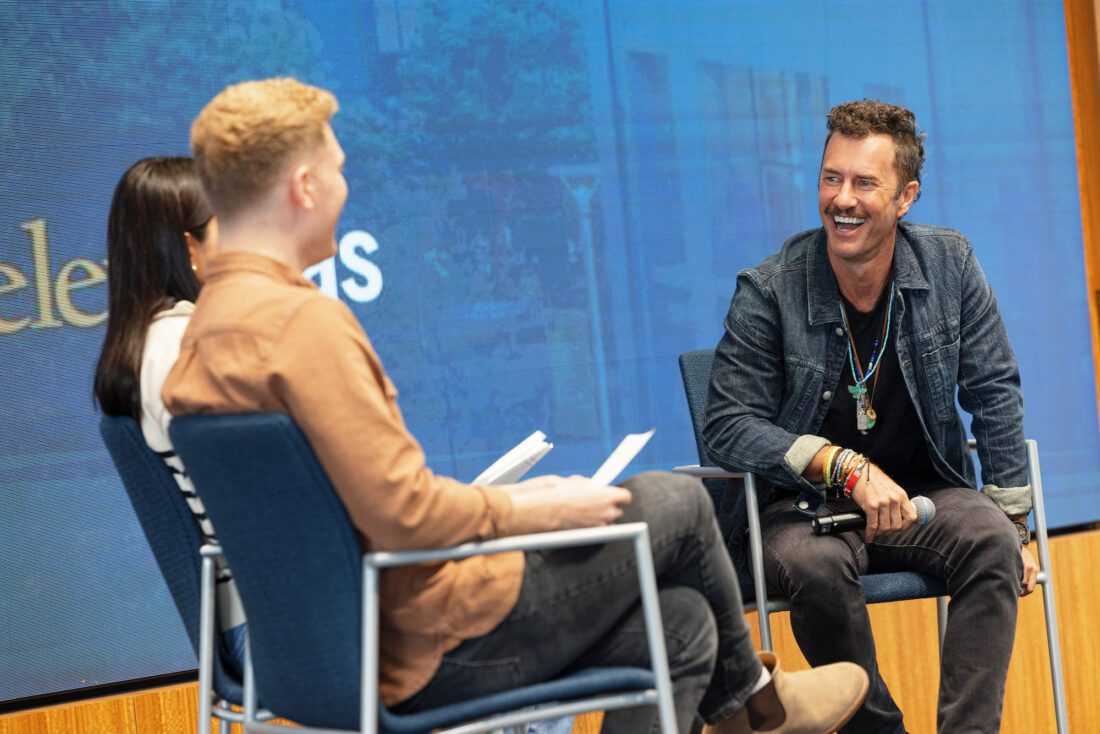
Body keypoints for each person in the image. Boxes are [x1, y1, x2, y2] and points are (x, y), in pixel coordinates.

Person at [162, 77, 870, 734]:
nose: (348, 188)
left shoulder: (207, 333)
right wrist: (536, 509)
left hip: (343, 648)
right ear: (304, 186)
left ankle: (751, 702)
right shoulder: (300, 324)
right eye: (341, 170)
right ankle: (765, 706)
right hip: (430, 643)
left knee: (682, 623)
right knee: (678, 502)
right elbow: (402, 516)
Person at [704, 99, 1036, 733]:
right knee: (813, 568)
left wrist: (1015, 522)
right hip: (801, 511)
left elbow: (995, 388)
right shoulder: (769, 289)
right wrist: (841, 465)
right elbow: (727, 424)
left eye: (864, 182)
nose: (842, 199)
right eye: (832, 178)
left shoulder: (950, 265)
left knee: (991, 539)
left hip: (922, 496)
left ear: (906, 195)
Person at [93, 156, 247, 670]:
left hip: (256, 620)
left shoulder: (150, 346)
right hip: (282, 628)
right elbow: (266, 506)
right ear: (190, 248)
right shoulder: (187, 347)